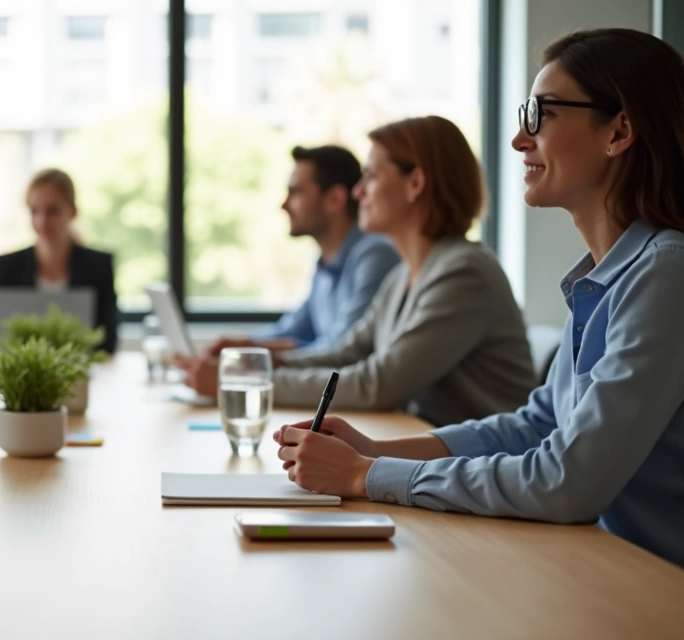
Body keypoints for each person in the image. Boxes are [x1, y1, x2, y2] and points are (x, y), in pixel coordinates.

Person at [276, 29, 684, 568]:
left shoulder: (664, 273)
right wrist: (375, 451)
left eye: (541, 115)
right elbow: (534, 426)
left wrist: (363, 476)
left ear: (619, 131)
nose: (519, 139)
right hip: (593, 561)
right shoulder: (604, 278)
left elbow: (567, 480)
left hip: (649, 583)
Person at [179, 116, 536, 427]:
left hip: (480, 476)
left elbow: (377, 383)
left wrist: (247, 380)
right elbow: (347, 354)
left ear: (416, 184)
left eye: (372, 176)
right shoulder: (405, 276)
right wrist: (257, 364)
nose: (358, 191)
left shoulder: (463, 273)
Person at [202, 146, 399, 356]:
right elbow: (294, 330)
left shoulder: (375, 256)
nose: (284, 205)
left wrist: (253, 355)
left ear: (334, 199)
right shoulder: (325, 263)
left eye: (295, 192)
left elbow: (342, 350)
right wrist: (241, 347)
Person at [0, 168, 119, 353]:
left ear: (72, 212)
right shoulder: (6, 267)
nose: (42, 221)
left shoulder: (98, 267)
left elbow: (107, 342)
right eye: (35, 211)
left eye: (52, 211)